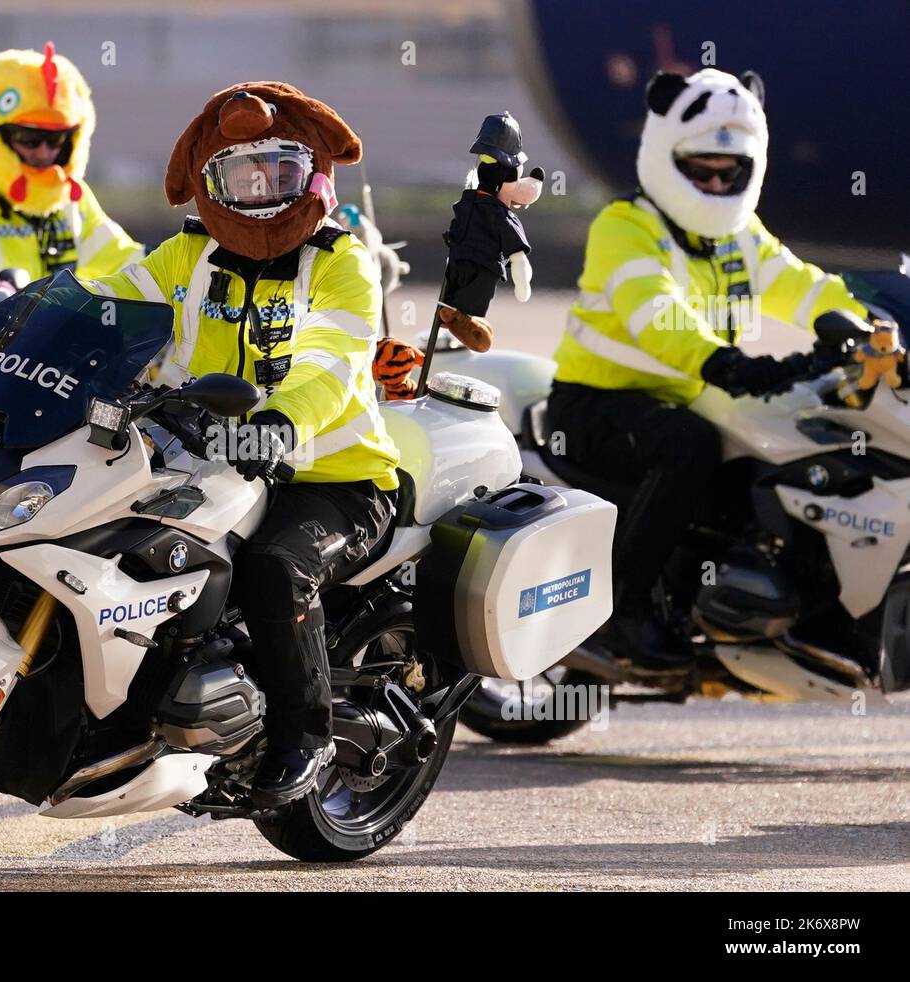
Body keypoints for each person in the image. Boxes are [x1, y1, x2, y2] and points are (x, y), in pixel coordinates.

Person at [90, 83, 487, 807]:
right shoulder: (188, 253)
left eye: (279, 173)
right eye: (241, 176)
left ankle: (302, 736)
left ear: (312, 176)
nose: (261, 192)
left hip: (335, 479)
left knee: (272, 570)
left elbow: (330, 363)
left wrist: (279, 425)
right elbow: (106, 301)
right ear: (212, 180)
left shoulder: (341, 261)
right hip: (206, 461)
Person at [545, 69, 870, 671]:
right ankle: (618, 613)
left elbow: (804, 286)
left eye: (731, 171)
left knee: (786, 448)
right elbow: (658, 316)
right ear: (670, 158)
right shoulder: (627, 226)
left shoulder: (739, 237)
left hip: (692, 394)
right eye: (701, 170)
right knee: (688, 445)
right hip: (596, 405)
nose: (717, 181)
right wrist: (727, 364)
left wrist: (872, 327)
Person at [0, 43, 141, 291]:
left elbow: (124, 259)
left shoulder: (69, 195)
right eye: (29, 139)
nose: (43, 152)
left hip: (53, 329)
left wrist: (171, 270)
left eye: (56, 140)